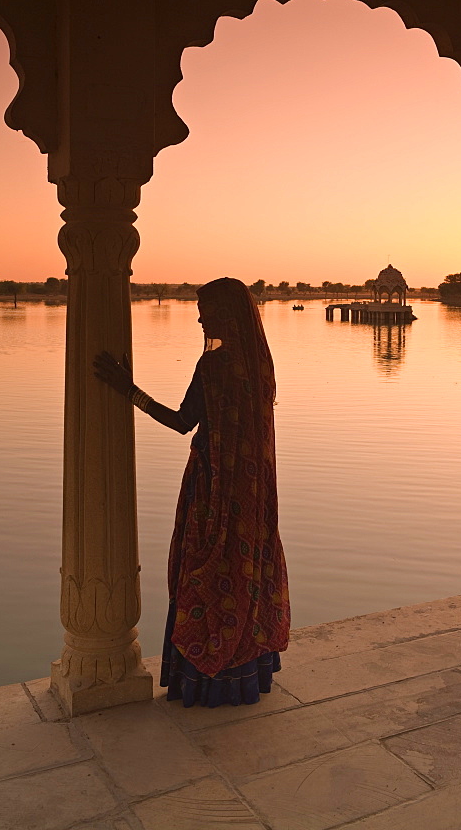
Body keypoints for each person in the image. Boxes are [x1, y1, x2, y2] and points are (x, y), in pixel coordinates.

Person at [93, 277, 290, 707]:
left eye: (205, 309)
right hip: (252, 495)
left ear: (223, 313)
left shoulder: (215, 365)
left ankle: (204, 681)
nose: (200, 317)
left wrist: (129, 391)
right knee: (243, 569)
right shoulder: (260, 364)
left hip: (214, 487)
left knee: (204, 570)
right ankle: (246, 674)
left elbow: (184, 422)